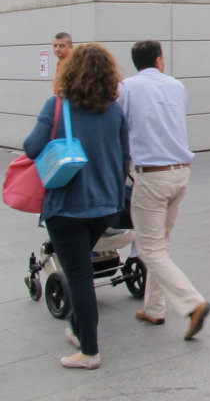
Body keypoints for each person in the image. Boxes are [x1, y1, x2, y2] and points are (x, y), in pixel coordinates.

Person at [23, 43, 130, 370]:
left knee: (79, 277)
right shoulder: (114, 111)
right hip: (107, 207)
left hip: (67, 208)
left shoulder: (57, 107)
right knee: (82, 266)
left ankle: (89, 351)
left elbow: (31, 148)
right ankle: (77, 327)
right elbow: (125, 157)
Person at [118, 41, 210, 340]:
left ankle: (192, 303)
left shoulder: (127, 88)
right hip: (180, 173)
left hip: (152, 176)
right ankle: (154, 308)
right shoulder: (176, 86)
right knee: (162, 243)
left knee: (148, 248)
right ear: (159, 60)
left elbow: (119, 128)